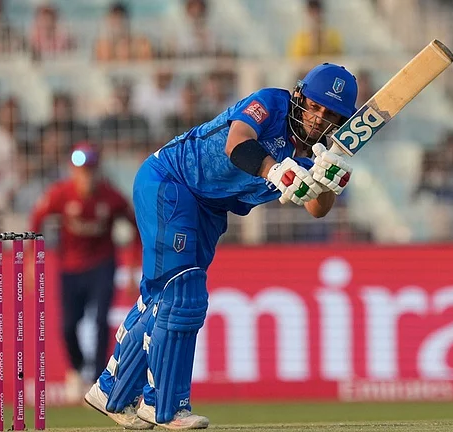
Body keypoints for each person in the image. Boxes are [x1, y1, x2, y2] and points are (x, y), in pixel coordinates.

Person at [83, 63, 358, 430]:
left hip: (209, 207)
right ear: (298, 96)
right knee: (183, 293)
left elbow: (316, 208)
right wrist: (273, 170)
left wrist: (329, 180)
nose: (319, 117)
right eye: (315, 105)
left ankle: (111, 392)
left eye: (330, 114)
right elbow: (237, 142)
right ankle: (164, 407)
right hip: (171, 180)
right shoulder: (270, 104)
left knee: (163, 297)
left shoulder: (316, 153)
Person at [29, 142, 139, 404]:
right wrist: (31, 261)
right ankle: (76, 370)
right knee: (68, 326)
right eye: (81, 171)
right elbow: (37, 219)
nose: (86, 177)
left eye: (90, 170)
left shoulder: (110, 197)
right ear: (72, 170)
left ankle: (98, 379)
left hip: (102, 265)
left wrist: (134, 268)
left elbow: (136, 229)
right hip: (69, 268)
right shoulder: (61, 194)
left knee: (101, 320)